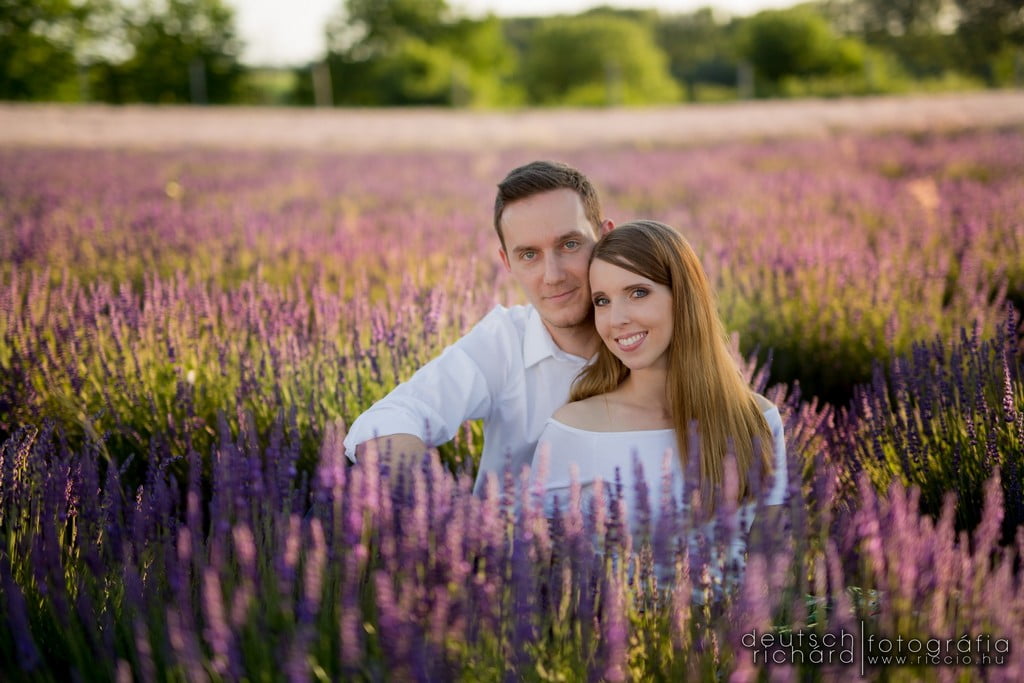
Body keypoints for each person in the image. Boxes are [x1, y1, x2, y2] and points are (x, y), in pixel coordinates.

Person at [530, 220, 787, 574]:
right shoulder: (575, 429)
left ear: (683, 297)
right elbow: (539, 571)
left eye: (638, 293)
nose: (616, 319)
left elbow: (770, 570)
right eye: (602, 301)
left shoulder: (756, 418)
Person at [343, 160, 614, 495]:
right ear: (507, 262)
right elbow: (396, 414)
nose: (553, 275)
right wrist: (425, 496)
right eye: (529, 255)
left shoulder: (650, 332)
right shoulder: (505, 340)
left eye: (569, 244)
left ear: (605, 237)